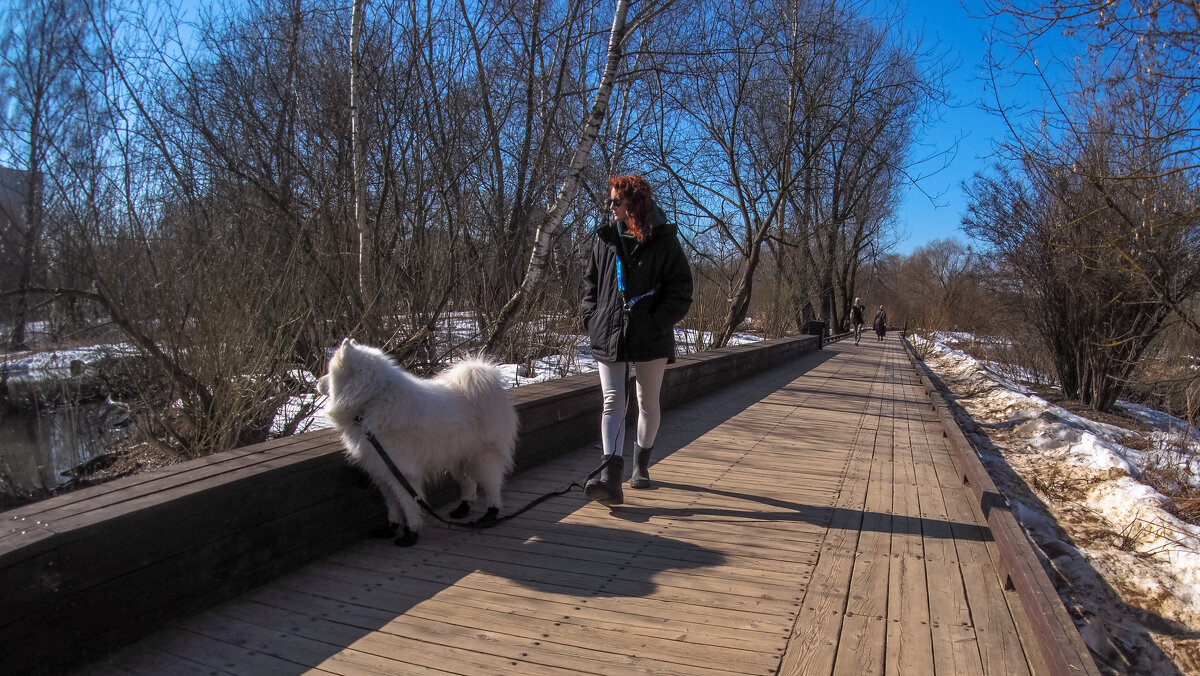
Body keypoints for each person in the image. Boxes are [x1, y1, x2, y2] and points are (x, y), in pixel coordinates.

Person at [581, 175, 693, 505]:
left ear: (636, 204)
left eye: (617, 201)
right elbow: (589, 287)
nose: (611, 207)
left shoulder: (664, 240)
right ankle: (609, 476)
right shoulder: (604, 240)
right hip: (609, 333)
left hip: (651, 336)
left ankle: (641, 465)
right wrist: (592, 319)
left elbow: (682, 292)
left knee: (647, 401)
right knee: (613, 402)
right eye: (610, 201)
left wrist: (654, 322)